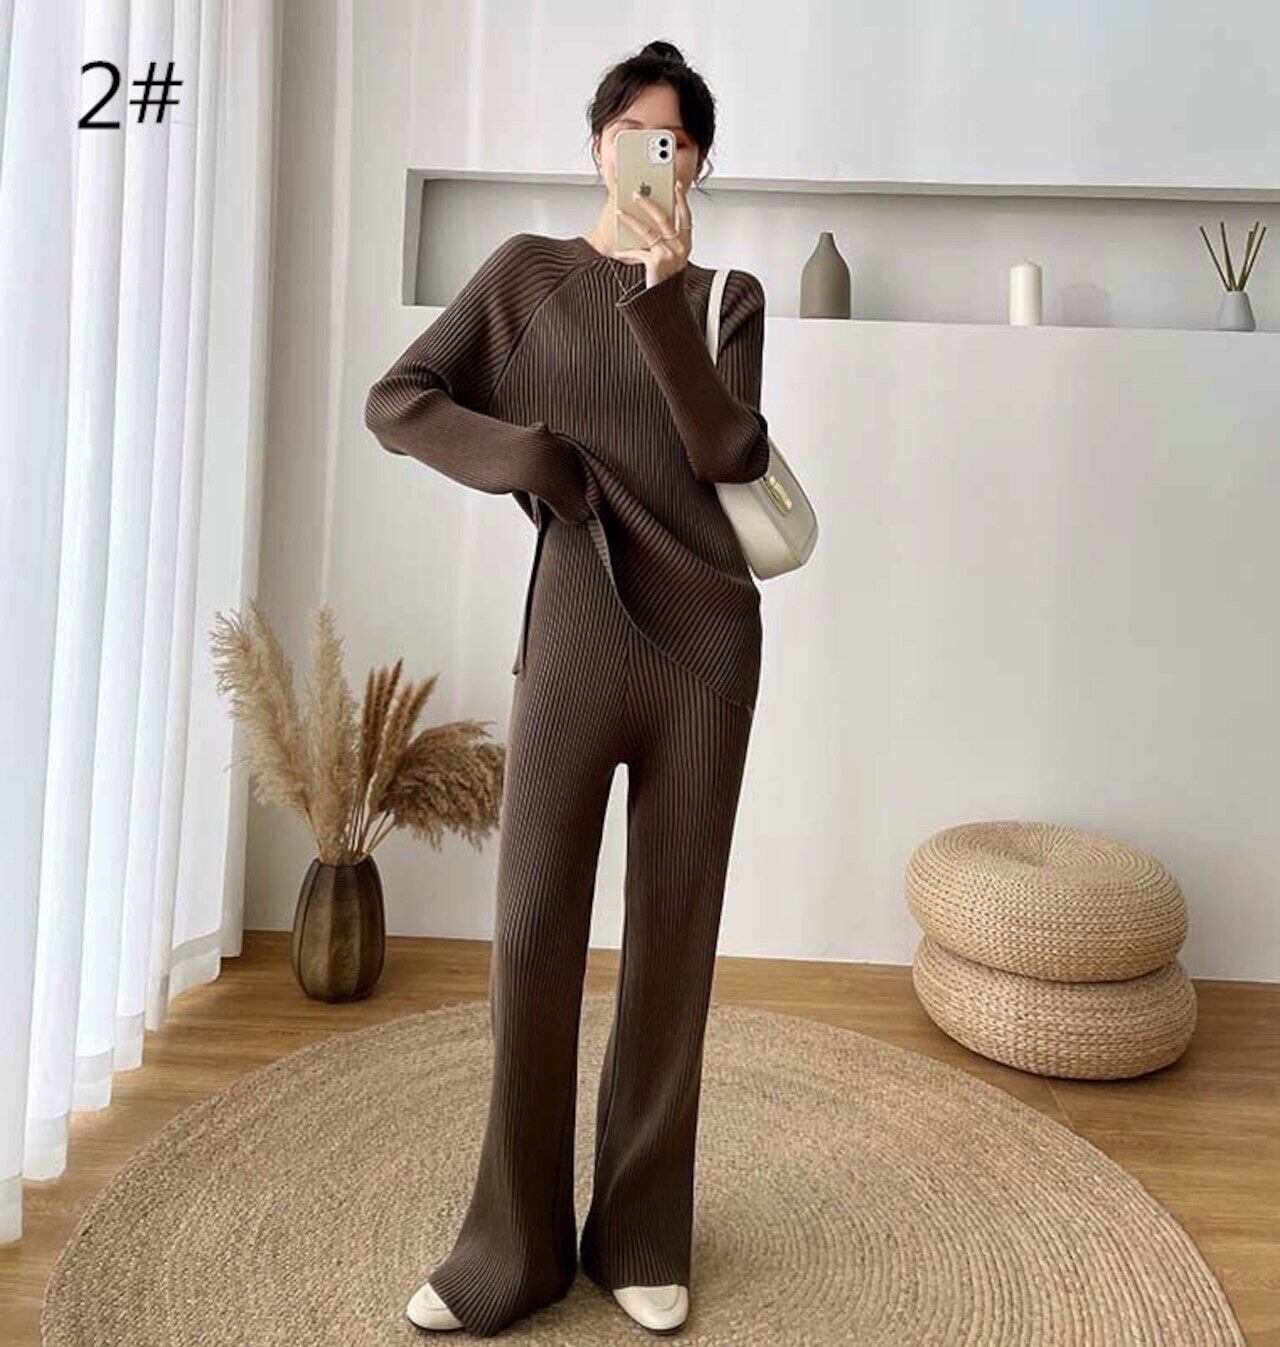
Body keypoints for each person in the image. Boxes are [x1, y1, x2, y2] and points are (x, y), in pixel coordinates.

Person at [364, 38, 771, 1338]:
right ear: (597, 144)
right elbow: (399, 399)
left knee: (672, 945)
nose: (655, 154)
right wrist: (527, 456)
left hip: (705, 648)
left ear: (698, 164)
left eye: (677, 140)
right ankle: (513, 1247)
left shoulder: (726, 298)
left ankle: (642, 1233)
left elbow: (727, 449)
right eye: (634, 132)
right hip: (577, 638)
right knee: (535, 933)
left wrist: (662, 299)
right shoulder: (525, 279)